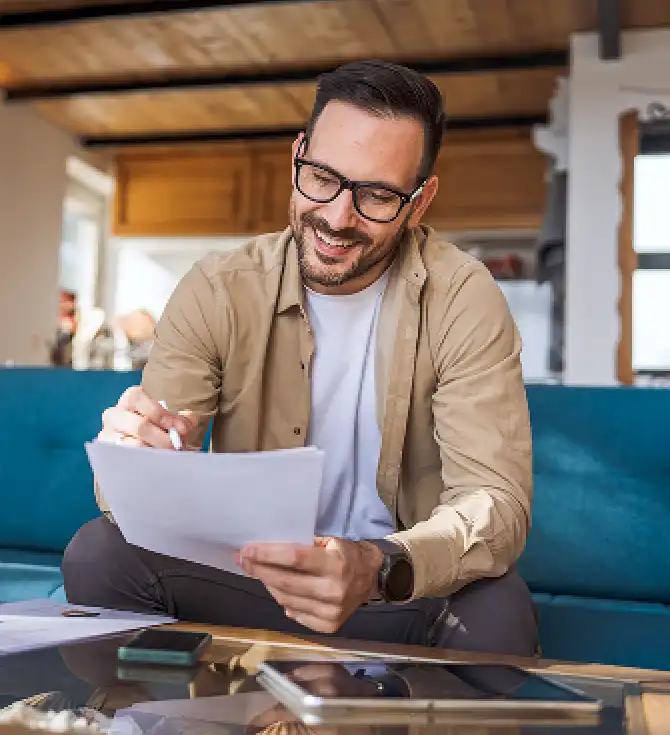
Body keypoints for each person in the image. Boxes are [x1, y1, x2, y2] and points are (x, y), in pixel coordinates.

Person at [63, 60, 537, 656]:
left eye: (378, 195)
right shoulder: (217, 288)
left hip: (391, 589)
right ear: (297, 157)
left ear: (419, 203)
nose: (338, 217)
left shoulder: (463, 297)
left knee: (499, 607)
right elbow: (134, 489)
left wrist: (378, 565)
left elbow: (494, 502)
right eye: (322, 177)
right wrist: (137, 461)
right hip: (248, 575)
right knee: (99, 554)